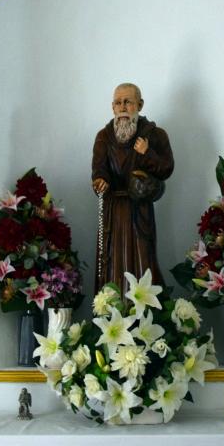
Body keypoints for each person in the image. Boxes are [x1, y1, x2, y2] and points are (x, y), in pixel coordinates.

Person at [91, 83, 174, 294]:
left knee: (143, 258)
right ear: (112, 107)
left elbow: (166, 168)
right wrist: (100, 181)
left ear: (140, 105)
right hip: (112, 212)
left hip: (140, 211)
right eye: (118, 103)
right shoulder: (103, 137)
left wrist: (147, 153)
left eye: (128, 102)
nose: (122, 107)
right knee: (111, 261)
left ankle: (144, 310)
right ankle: (109, 307)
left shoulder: (154, 135)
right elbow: (99, 169)